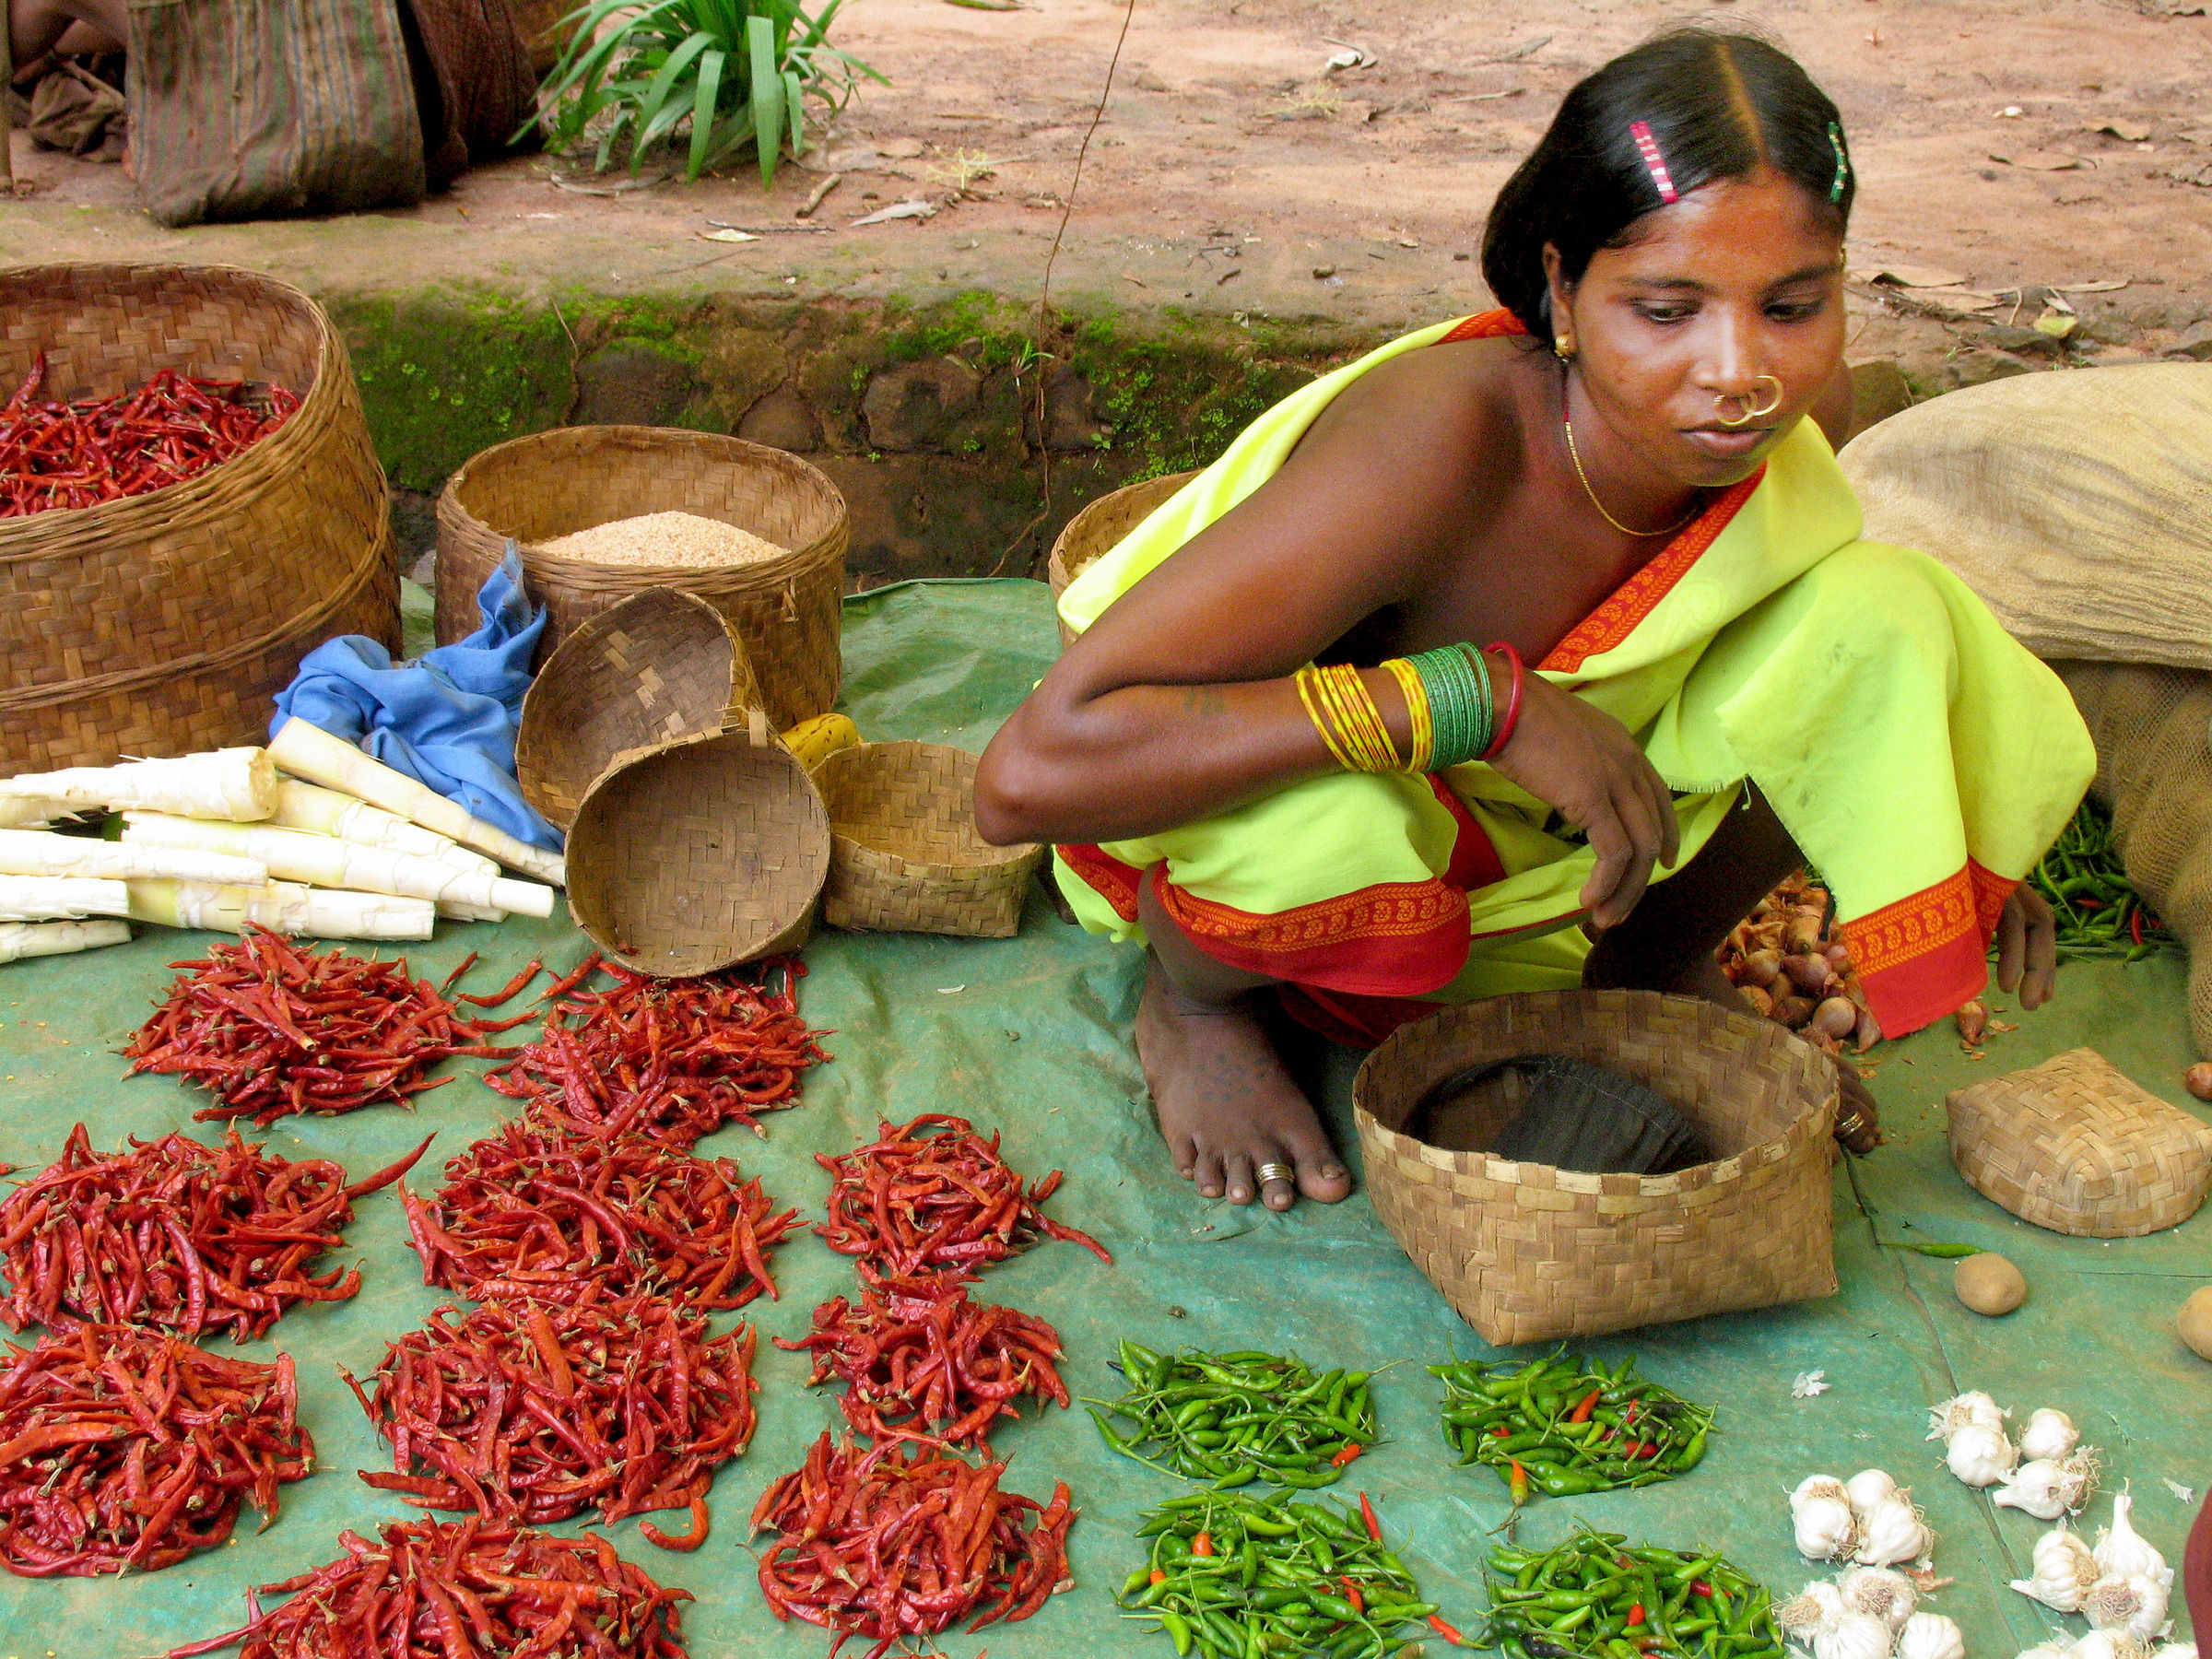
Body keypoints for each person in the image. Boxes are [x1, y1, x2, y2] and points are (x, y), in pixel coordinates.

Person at [974, 26, 2097, 1214]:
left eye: (1793, 305)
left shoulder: (1787, 417)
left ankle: (1648, 960)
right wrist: (1483, 704)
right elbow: (1028, 777)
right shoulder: (1439, 451)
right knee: (1322, 829)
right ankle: (1198, 1001)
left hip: (1578, 815)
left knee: (1892, 613)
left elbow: (1825, 663)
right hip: (1306, 800)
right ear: (1562, 290)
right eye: (1664, 310)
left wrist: (1927, 801)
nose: (1741, 371)